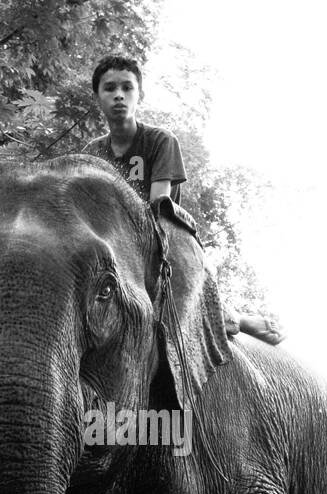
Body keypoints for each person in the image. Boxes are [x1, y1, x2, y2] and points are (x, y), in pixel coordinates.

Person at [84, 55, 284, 345]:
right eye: (109, 88)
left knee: (188, 292)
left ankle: (236, 319)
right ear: (98, 97)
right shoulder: (92, 152)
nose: (119, 95)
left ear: (139, 94)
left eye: (127, 88)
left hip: (156, 239)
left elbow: (157, 204)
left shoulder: (161, 141)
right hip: (106, 242)